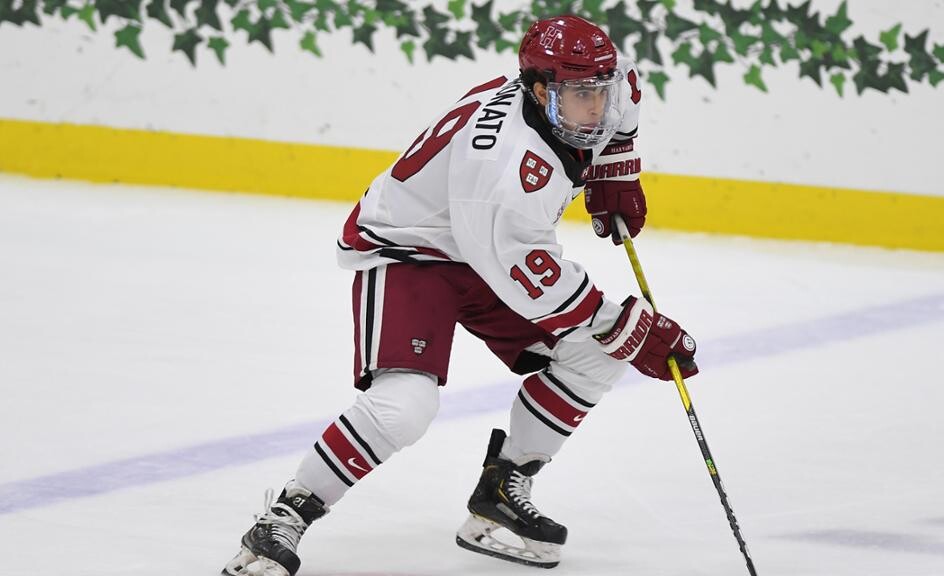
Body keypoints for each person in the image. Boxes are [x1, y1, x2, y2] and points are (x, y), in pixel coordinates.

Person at [222, 14, 699, 576]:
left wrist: (615, 173)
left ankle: (502, 489)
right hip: (413, 251)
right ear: (541, 90)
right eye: (579, 95)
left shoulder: (607, 84)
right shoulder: (504, 169)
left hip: (484, 246)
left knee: (594, 356)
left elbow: (625, 97)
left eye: (599, 91)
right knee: (405, 408)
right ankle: (284, 517)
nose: (595, 108)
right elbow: (534, 277)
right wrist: (631, 326)